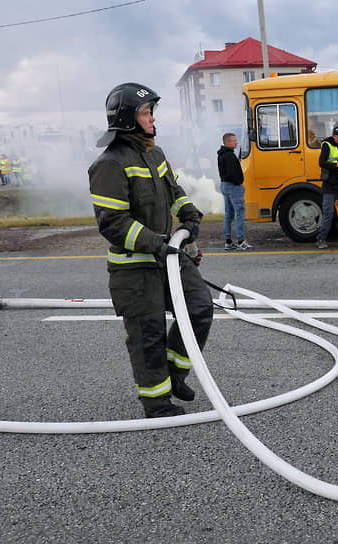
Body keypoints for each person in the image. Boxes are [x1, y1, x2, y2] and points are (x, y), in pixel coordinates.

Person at [87, 82, 214, 419]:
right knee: (149, 334)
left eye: (151, 112)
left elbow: (174, 191)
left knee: (200, 307)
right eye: (146, 113)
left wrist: (189, 214)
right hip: (136, 266)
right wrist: (156, 243)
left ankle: (175, 374)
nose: (152, 119)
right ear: (129, 118)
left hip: (168, 258)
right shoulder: (109, 165)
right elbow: (112, 223)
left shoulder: (154, 154)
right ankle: (156, 402)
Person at [217, 132, 252, 250]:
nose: (236, 142)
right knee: (240, 213)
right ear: (227, 142)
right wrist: (239, 183)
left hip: (224, 185)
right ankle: (241, 241)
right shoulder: (230, 156)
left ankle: (228, 241)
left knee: (229, 214)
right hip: (233, 187)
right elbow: (233, 173)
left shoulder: (221, 155)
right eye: (234, 140)